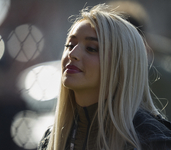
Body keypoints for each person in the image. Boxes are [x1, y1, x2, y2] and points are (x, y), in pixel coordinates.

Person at [38, 3, 171, 150]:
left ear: (121, 64)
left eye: (91, 48)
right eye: (70, 45)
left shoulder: (154, 141)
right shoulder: (51, 139)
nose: (72, 54)